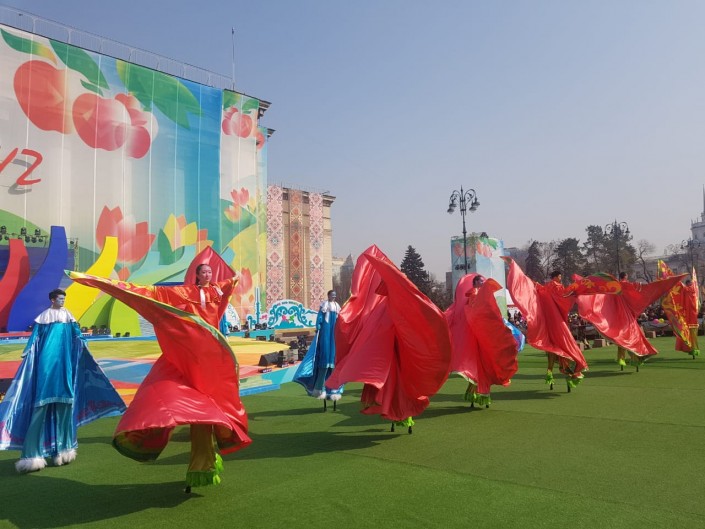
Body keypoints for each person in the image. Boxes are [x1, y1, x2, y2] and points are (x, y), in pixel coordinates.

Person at [69, 259, 250, 493]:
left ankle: (203, 464)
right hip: (187, 353)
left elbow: (230, 283)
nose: (208, 274)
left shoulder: (217, 290)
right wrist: (99, 281)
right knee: (187, 402)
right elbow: (151, 293)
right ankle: (194, 460)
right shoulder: (184, 292)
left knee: (210, 407)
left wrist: (235, 278)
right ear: (197, 275)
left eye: (209, 272)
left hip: (209, 355)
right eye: (204, 272)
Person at [325, 245, 451, 433]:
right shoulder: (384, 309)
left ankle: (399, 414)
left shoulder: (393, 307)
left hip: (401, 355)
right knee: (395, 384)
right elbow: (377, 334)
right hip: (391, 358)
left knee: (400, 384)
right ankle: (400, 414)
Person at [0, 289, 125, 473]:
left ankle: (63, 450)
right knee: (41, 407)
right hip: (46, 365)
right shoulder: (44, 317)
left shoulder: (69, 316)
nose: (62, 301)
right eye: (60, 298)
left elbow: (78, 335)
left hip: (64, 365)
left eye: (64, 299)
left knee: (65, 406)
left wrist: (83, 347)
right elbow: (34, 338)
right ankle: (32, 455)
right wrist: (28, 352)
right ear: (52, 300)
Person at [503, 258, 586, 391]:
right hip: (557, 322)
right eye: (560, 277)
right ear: (556, 277)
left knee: (552, 349)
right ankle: (569, 373)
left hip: (547, 323)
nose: (560, 279)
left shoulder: (545, 288)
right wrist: (575, 290)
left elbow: (536, 287)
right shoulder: (557, 287)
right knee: (566, 345)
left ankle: (550, 372)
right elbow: (564, 297)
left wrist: (521, 275)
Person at [576, 271, 684, 371]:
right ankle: (636, 358)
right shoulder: (624, 285)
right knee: (633, 337)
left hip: (618, 316)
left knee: (622, 338)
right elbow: (635, 290)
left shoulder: (613, 286)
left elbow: (603, 297)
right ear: (625, 277)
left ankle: (622, 358)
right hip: (626, 316)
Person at [445, 274, 519, 407]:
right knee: (479, 364)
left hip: (484, 334)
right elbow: (473, 312)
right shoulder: (473, 294)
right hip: (475, 335)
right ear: (475, 283)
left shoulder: (483, 295)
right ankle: (475, 392)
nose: (483, 283)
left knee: (487, 363)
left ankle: (478, 392)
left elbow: (490, 312)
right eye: (481, 281)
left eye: (484, 281)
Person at [293, 290, 343, 408]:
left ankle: (333, 390)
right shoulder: (324, 305)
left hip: (334, 332)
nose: (333, 297)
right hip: (326, 330)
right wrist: (318, 325)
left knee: (333, 361)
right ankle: (320, 388)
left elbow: (340, 318)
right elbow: (320, 316)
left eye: (335, 296)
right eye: (332, 295)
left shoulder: (337, 306)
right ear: (328, 296)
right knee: (324, 360)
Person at [676, 278, 700, 358]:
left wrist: (679, 282)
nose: (690, 285)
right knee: (688, 333)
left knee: (692, 333)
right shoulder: (688, 289)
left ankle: (693, 349)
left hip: (691, 314)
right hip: (688, 314)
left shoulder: (690, 289)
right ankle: (690, 348)